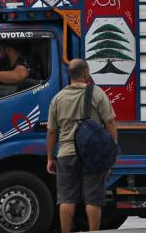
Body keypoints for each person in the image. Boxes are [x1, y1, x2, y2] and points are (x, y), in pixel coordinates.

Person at [46, 59, 117, 233]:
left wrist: (50, 158)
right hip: (92, 154)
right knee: (93, 199)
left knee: (66, 199)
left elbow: (52, 132)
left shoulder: (58, 98)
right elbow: (110, 124)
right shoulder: (97, 94)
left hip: (66, 154)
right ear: (86, 73)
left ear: (69, 75)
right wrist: (112, 150)